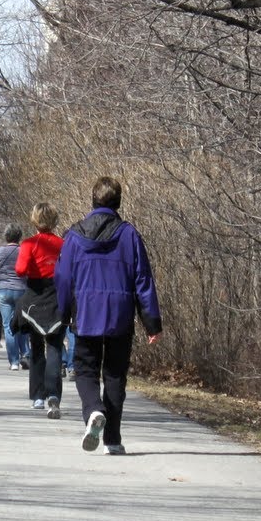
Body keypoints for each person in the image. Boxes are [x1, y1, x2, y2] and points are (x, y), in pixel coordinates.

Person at [54, 176, 162, 455]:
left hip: (86, 313)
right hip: (120, 315)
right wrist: (151, 322)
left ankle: (93, 410)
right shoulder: (129, 234)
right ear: (118, 202)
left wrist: (63, 314)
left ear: (92, 201)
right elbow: (143, 280)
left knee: (86, 370)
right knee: (115, 376)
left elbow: (63, 279)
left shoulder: (74, 236)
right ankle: (112, 440)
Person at [12, 203, 66, 415]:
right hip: (57, 296)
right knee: (55, 346)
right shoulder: (63, 244)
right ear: (54, 220)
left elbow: (20, 270)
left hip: (35, 296)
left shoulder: (29, 244)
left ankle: (37, 397)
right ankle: (54, 394)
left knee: (36, 349)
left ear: (34, 220)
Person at [0, 224, 31, 371]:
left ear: (6, 237)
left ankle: (13, 361)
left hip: (3, 291)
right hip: (21, 290)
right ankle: (26, 354)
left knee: (8, 326)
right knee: (23, 324)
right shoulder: (24, 251)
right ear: (19, 237)